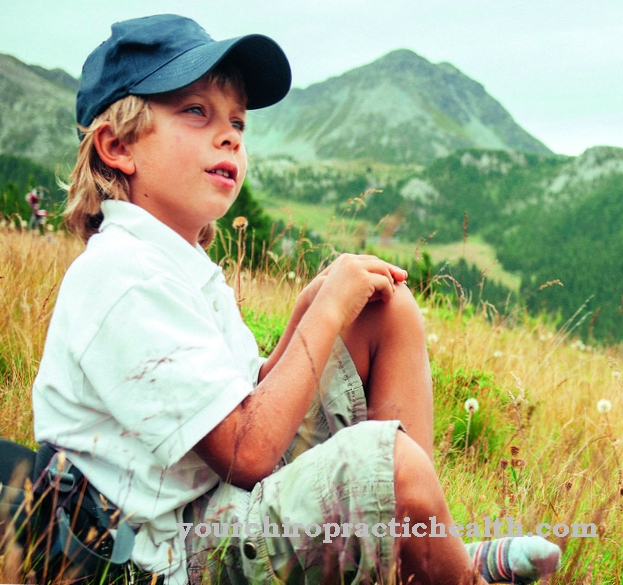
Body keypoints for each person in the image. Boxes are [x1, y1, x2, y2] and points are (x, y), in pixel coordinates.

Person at [31, 14, 562, 585]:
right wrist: (327, 310)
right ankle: (456, 573)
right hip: (170, 557)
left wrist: (308, 313)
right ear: (117, 147)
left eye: (237, 120)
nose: (231, 134)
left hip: (212, 502)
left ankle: (419, 551)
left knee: (387, 309)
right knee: (393, 463)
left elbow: (240, 398)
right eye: (195, 111)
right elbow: (246, 452)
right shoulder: (124, 277)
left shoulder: (175, 265)